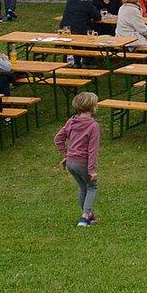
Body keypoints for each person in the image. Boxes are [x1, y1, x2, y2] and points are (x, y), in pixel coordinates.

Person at [54, 92, 101, 227]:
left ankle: (89, 214)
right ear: (92, 107)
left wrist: (66, 155)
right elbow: (92, 150)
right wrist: (92, 170)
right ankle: (85, 217)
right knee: (92, 187)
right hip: (83, 163)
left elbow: (58, 139)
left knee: (82, 186)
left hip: (71, 163)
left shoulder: (71, 121)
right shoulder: (93, 126)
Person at [114, 0, 147, 65]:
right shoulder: (133, 10)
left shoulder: (122, 8)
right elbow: (142, 30)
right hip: (132, 40)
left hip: (121, 37)